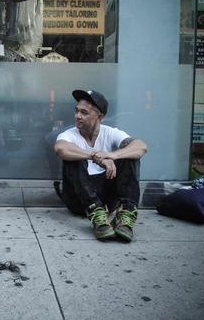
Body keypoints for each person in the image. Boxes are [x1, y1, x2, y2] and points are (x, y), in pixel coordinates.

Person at [54, 90, 148, 242]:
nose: (78, 116)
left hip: (107, 201)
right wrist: (96, 157)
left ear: (100, 117)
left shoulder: (111, 133)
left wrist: (113, 155)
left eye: (84, 113)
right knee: (72, 157)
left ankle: (125, 215)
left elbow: (141, 147)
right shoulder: (69, 135)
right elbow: (60, 149)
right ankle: (96, 215)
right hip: (79, 200)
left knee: (129, 155)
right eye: (77, 111)